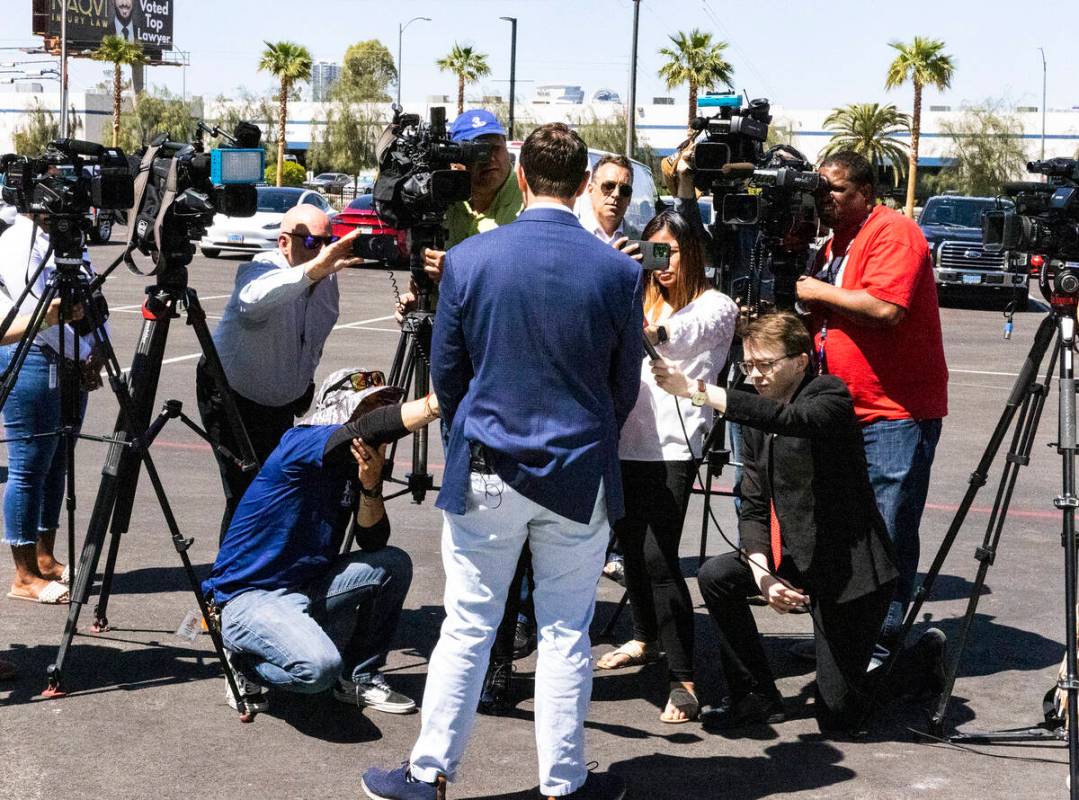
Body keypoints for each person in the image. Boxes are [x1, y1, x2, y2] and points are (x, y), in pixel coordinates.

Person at [362, 123, 642, 800]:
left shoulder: (470, 260)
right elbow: (623, 385)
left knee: (467, 627)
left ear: (522, 178)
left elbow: (448, 376)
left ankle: (428, 774)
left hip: (488, 464)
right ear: (581, 185)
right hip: (576, 473)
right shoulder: (618, 271)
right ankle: (563, 781)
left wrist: (473, 427)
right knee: (563, 633)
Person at [651, 311, 944, 735]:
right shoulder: (754, 415)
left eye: (766, 365)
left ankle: (918, 666)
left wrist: (697, 392)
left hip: (848, 573)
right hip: (792, 555)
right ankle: (754, 695)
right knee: (717, 575)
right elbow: (751, 502)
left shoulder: (829, 395)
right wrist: (763, 575)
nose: (757, 376)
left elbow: (793, 422)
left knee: (839, 717)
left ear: (801, 360)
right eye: (750, 366)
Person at [203, 369, 440, 714]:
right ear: (340, 411)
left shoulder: (353, 466)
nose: (380, 423)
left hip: (306, 586)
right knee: (319, 669)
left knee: (392, 563)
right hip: (249, 595)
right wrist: (437, 404)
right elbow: (365, 430)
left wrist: (370, 485)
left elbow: (373, 540)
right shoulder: (303, 441)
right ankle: (242, 663)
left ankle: (359, 676)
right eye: (370, 409)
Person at [593, 193, 738, 726]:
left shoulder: (716, 306)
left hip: (672, 449)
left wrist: (647, 328)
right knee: (631, 551)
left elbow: (680, 334)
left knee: (658, 558)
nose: (664, 263)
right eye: (655, 253)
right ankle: (645, 636)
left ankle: (684, 677)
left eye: (673, 252)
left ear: (694, 252)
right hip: (623, 440)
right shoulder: (641, 296)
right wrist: (619, 277)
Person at [795, 149, 948, 649]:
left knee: (887, 533)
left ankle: (881, 643)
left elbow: (885, 309)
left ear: (866, 193)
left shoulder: (895, 232)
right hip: (842, 411)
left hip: (893, 414)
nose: (824, 198)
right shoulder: (832, 246)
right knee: (842, 531)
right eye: (821, 188)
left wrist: (815, 291)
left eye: (835, 189)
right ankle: (841, 640)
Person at [196, 205, 362, 541]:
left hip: (281, 402)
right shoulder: (259, 270)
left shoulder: (326, 281)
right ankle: (230, 581)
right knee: (248, 493)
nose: (325, 250)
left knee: (280, 488)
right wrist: (312, 271)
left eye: (330, 241)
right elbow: (251, 300)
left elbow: (314, 337)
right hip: (232, 397)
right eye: (314, 241)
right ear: (284, 242)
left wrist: (302, 384)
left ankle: (263, 570)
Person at [0, 212, 103, 605]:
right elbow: (35, 311)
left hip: (71, 358)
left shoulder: (70, 241)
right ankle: (24, 575)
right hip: (32, 356)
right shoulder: (16, 242)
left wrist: (97, 348)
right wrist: (83, 351)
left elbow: (93, 303)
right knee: (29, 464)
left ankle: (45, 559)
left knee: (57, 461)